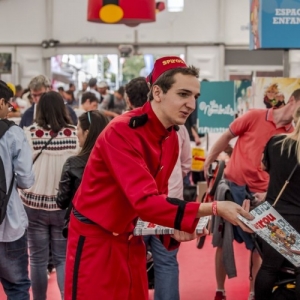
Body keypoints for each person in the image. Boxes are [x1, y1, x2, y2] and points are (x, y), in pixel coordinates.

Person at [64, 56, 253, 300]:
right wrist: (214, 208)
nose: (192, 104)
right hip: (96, 241)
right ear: (157, 92)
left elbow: (157, 198)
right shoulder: (121, 131)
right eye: (183, 94)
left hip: (130, 239)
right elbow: (145, 201)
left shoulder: (170, 136)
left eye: (195, 97)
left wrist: (174, 227)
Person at [204, 89, 300, 300]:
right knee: (222, 241)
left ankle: (252, 293)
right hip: (232, 187)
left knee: (259, 249)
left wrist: (269, 194)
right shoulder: (255, 116)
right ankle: (220, 290)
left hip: (262, 195)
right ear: (292, 101)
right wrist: (210, 159)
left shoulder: (290, 133)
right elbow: (227, 135)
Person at [126, 76, 191, 300]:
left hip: (136, 206)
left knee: (132, 259)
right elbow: (186, 165)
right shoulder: (177, 126)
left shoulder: (123, 127)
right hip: (168, 204)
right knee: (166, 261)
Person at [20, 91, 79, 300]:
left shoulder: (30, 133)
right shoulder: (74, 134)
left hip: (34, 203)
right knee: (63, 258)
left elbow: (22, 167)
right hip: (64, 206)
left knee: (37, 259)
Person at [255, 106, 300, 299]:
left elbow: (265, 167)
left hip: (273, 216)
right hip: (298, 218)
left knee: (269, 269)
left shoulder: (276, 142)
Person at [0, 80, 35, 299]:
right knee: (17, 286)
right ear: (1, 102)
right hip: (8, 224)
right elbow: (25, 180)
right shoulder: (13, 134)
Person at [56, 110, 109, 234]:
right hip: (109, 228)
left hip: (81, 228)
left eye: (78, 128)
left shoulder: (73, 164)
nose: (76, 133)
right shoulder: (116, 160)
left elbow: (62, 202)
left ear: (87, 133)